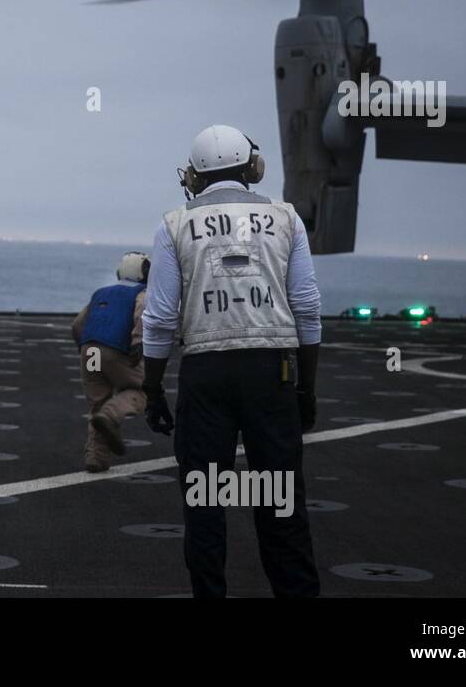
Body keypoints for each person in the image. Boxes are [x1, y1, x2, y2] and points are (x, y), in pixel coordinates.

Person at [141, 124, 322, 598]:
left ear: (195, 176)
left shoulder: (174, 224)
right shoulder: (286, 219)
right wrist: (306, 388)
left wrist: (153, 389)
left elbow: (159, 319)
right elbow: (306, 307)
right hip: (273, 372)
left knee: (204, 506)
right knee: (282, 505)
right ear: (251, 168)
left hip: (205, 376)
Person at [72, 251, 149, 473]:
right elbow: (142, 316)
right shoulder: (141, 293)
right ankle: (111, 415)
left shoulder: (100, 293)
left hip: (90, 351)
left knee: (97, 403)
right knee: (141, 392)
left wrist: (85, 349)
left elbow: (77, 325)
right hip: (114, 350)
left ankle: (96, 458)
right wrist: (138, 342)